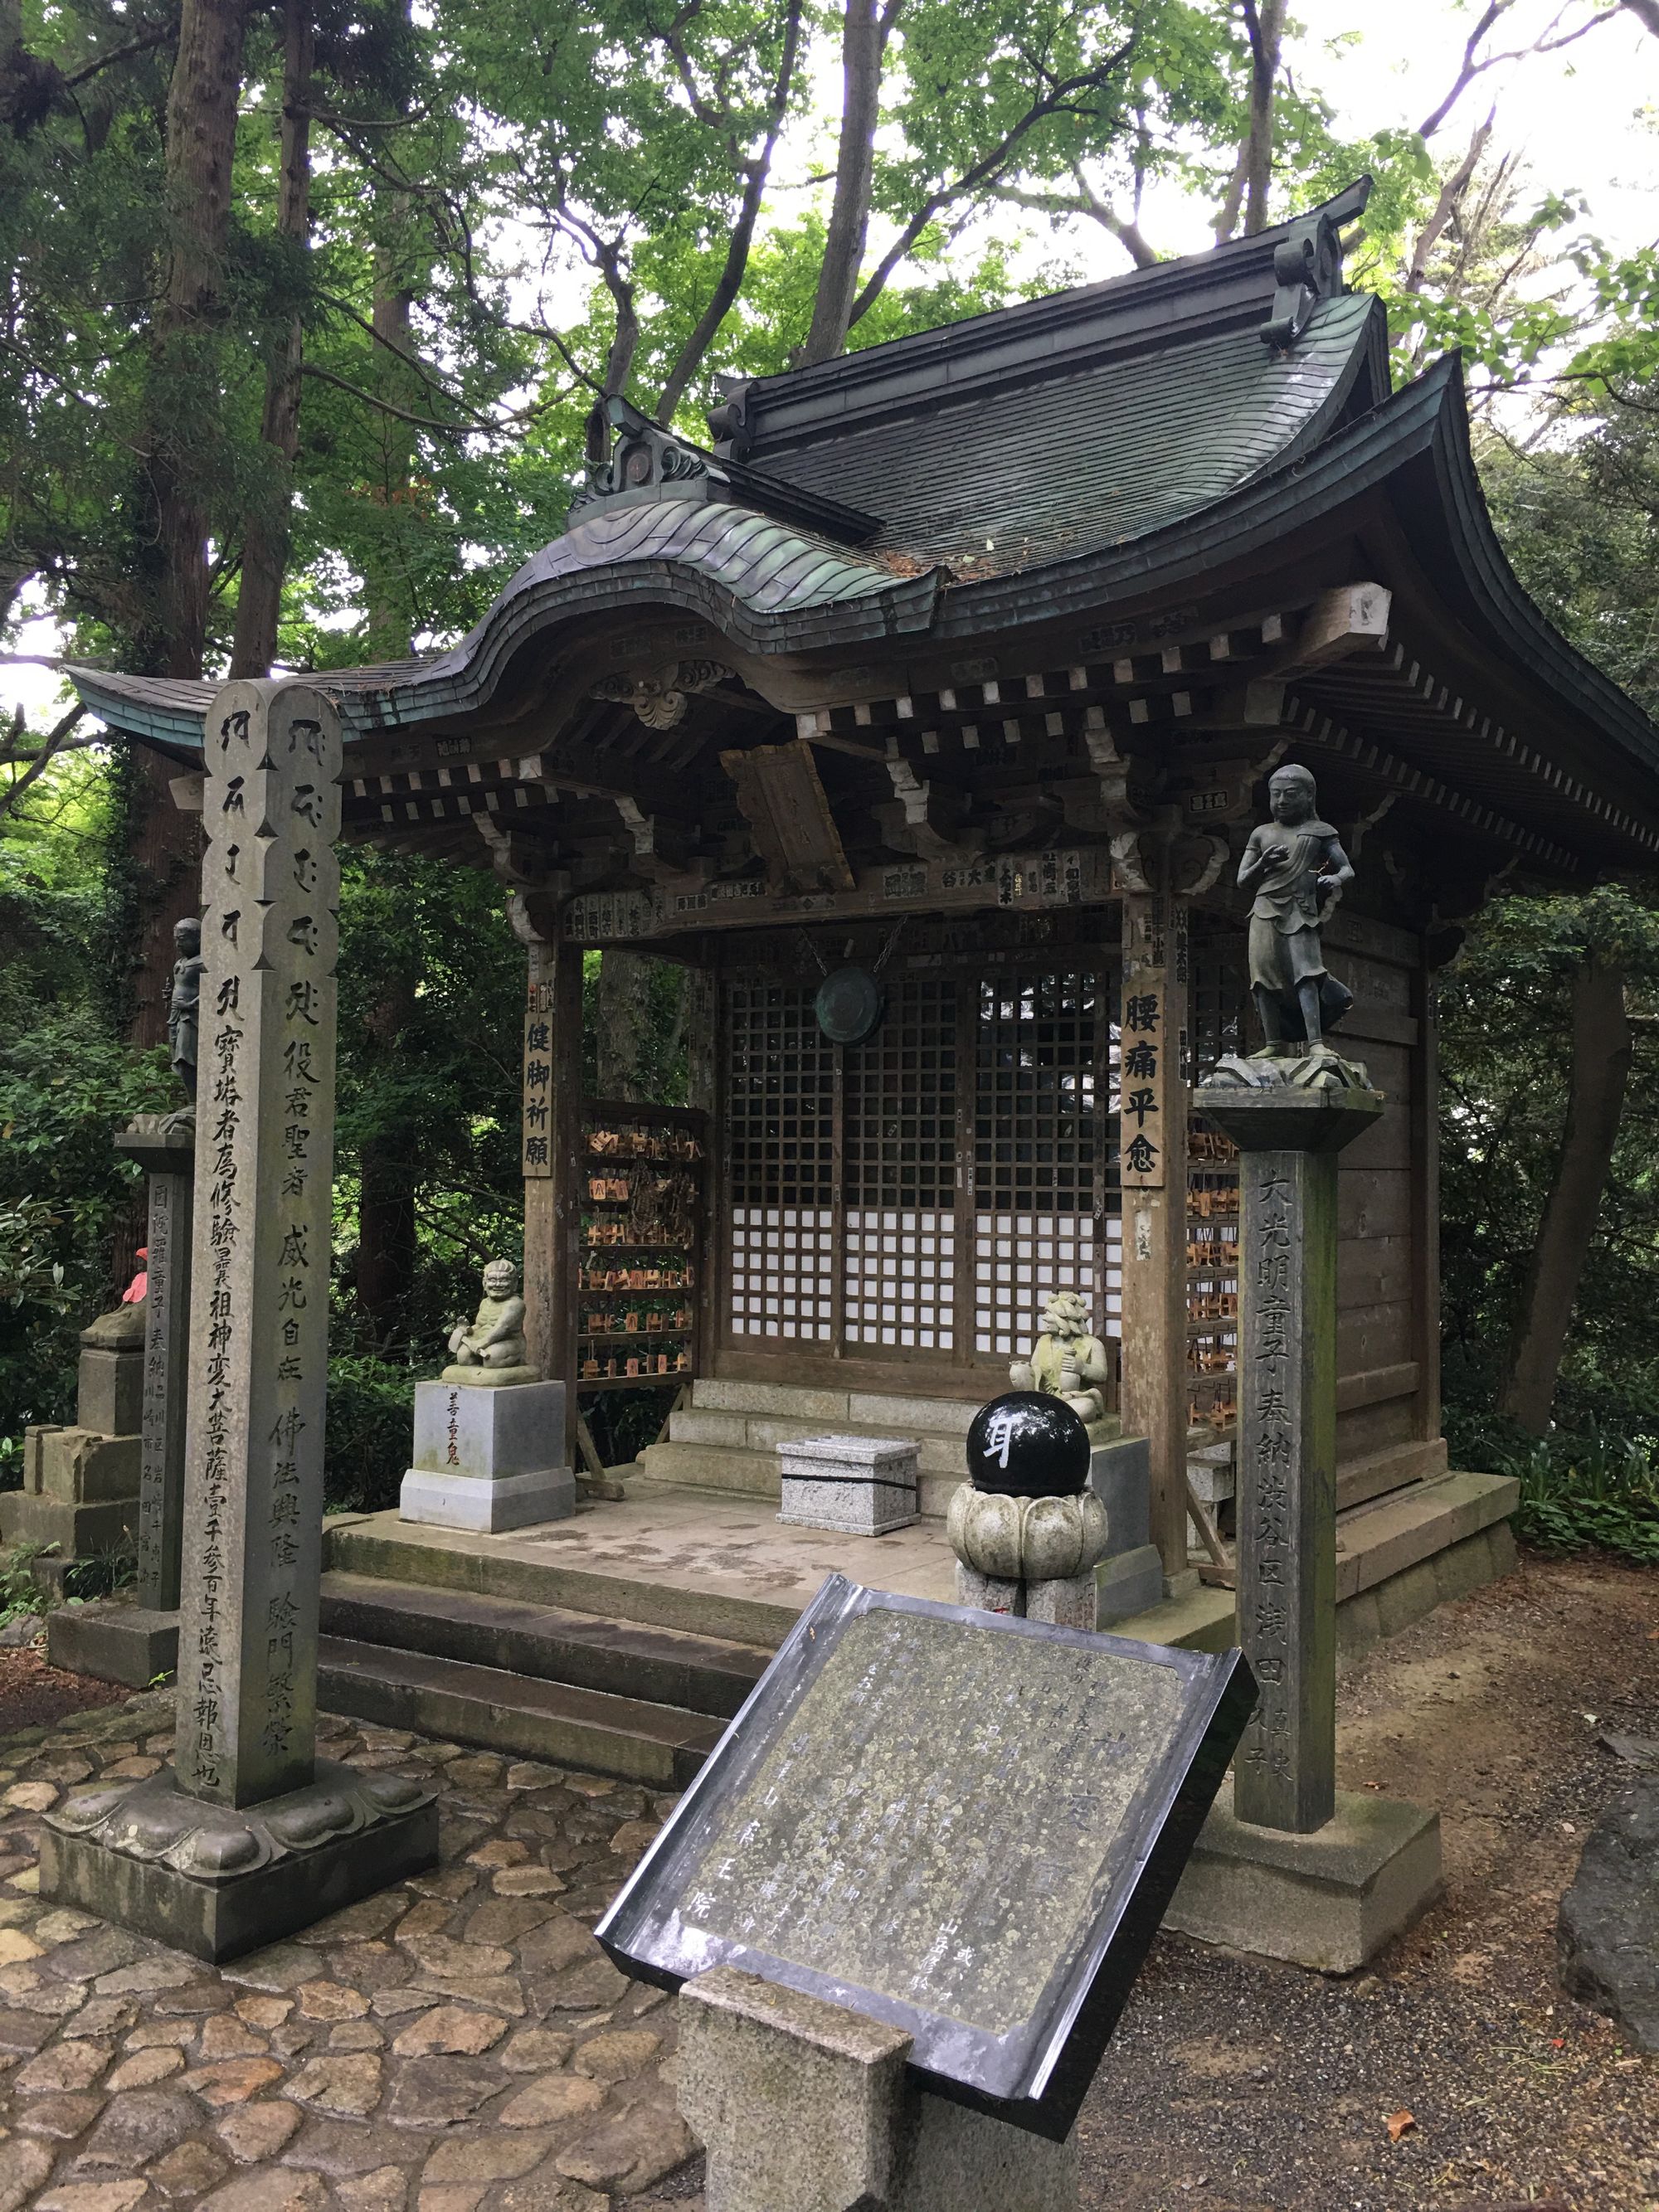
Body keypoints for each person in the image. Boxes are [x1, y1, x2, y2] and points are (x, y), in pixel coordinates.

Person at [1237, 765, 1354, 1050]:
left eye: (1290, 794)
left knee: (1307, 972)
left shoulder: (1319, 832)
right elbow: (1243, 880)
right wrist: (1263, 863)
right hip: (1264, 908)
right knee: (1262, 975)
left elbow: (1347, 869)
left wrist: (1334, 877)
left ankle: (1315, 1041)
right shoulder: (1261, 834)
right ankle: (1273, 1042)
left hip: (1300, 908)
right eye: (1275, 795)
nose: (1281, 801)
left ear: (1308, 795)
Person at [446, 1259, 531, 1371]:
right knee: (463, 1358)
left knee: (492, 1359)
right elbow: (480, 1325)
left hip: (508, 1341)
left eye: (504, 1280)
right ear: (484, 1283)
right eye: (492, 1280)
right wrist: (468, 1330)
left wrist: (482, 1343)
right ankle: (477, 1376)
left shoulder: (515, 1304)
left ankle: (517, 1361)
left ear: (514, 1283)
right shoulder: (485, 1302)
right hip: (481, 1340)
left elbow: (502, 1329)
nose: (497, 1284)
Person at [167, 916, 203, 1097]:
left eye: (182, 939)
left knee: (186, 1059)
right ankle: (191, 1100)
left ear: (197, 938)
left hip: (191, 1018)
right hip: (176, 1016)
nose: (178, 944)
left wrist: (190, 1005)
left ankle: (195, 1101)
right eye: (176, 939)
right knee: (176, 1060)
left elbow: (213, 991)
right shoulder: (180, 963)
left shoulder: (203, 962)